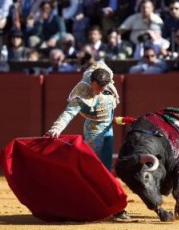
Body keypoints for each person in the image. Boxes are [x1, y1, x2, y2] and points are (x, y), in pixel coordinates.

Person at [46, 61, 129, 219]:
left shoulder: (106, 78)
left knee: (104, 169)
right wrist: (56, 128)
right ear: (92, 82)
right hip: (93, 132)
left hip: (107, 128)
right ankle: (106, 205)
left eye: (104, 86)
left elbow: (99, 63)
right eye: (99, 86)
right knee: (98, 170)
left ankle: (109, 205)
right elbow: (68, 113)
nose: (101, 90)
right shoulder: (82, 92)